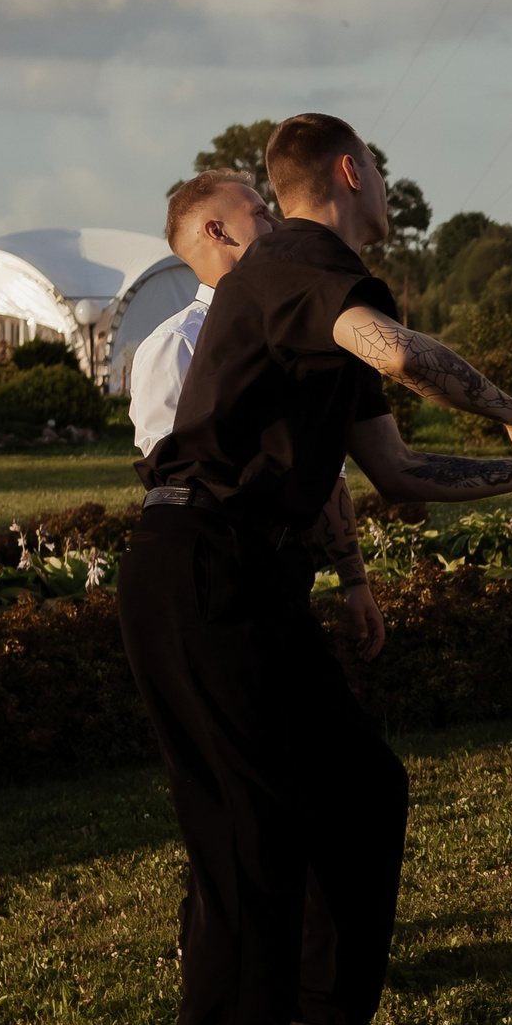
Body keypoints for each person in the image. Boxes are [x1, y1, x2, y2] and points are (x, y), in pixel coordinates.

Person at [123, 113, 512, 1025]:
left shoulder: (306, 295)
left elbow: (397, 474)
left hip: (250, 574)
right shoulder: (298, 261)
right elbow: (397, 352)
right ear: (353, 172)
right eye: (382, 173)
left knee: (361, 788)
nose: (389, 191)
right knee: (247, 824)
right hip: (199, 565)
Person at [132, 168, 383, 662]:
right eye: (261, 213)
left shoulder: (297, 328)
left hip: (278, 566)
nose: (277, 223)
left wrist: (355, 582)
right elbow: (176, 481)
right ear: (216, 231)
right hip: (217, 572)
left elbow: (327, 468)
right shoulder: (175, 345)